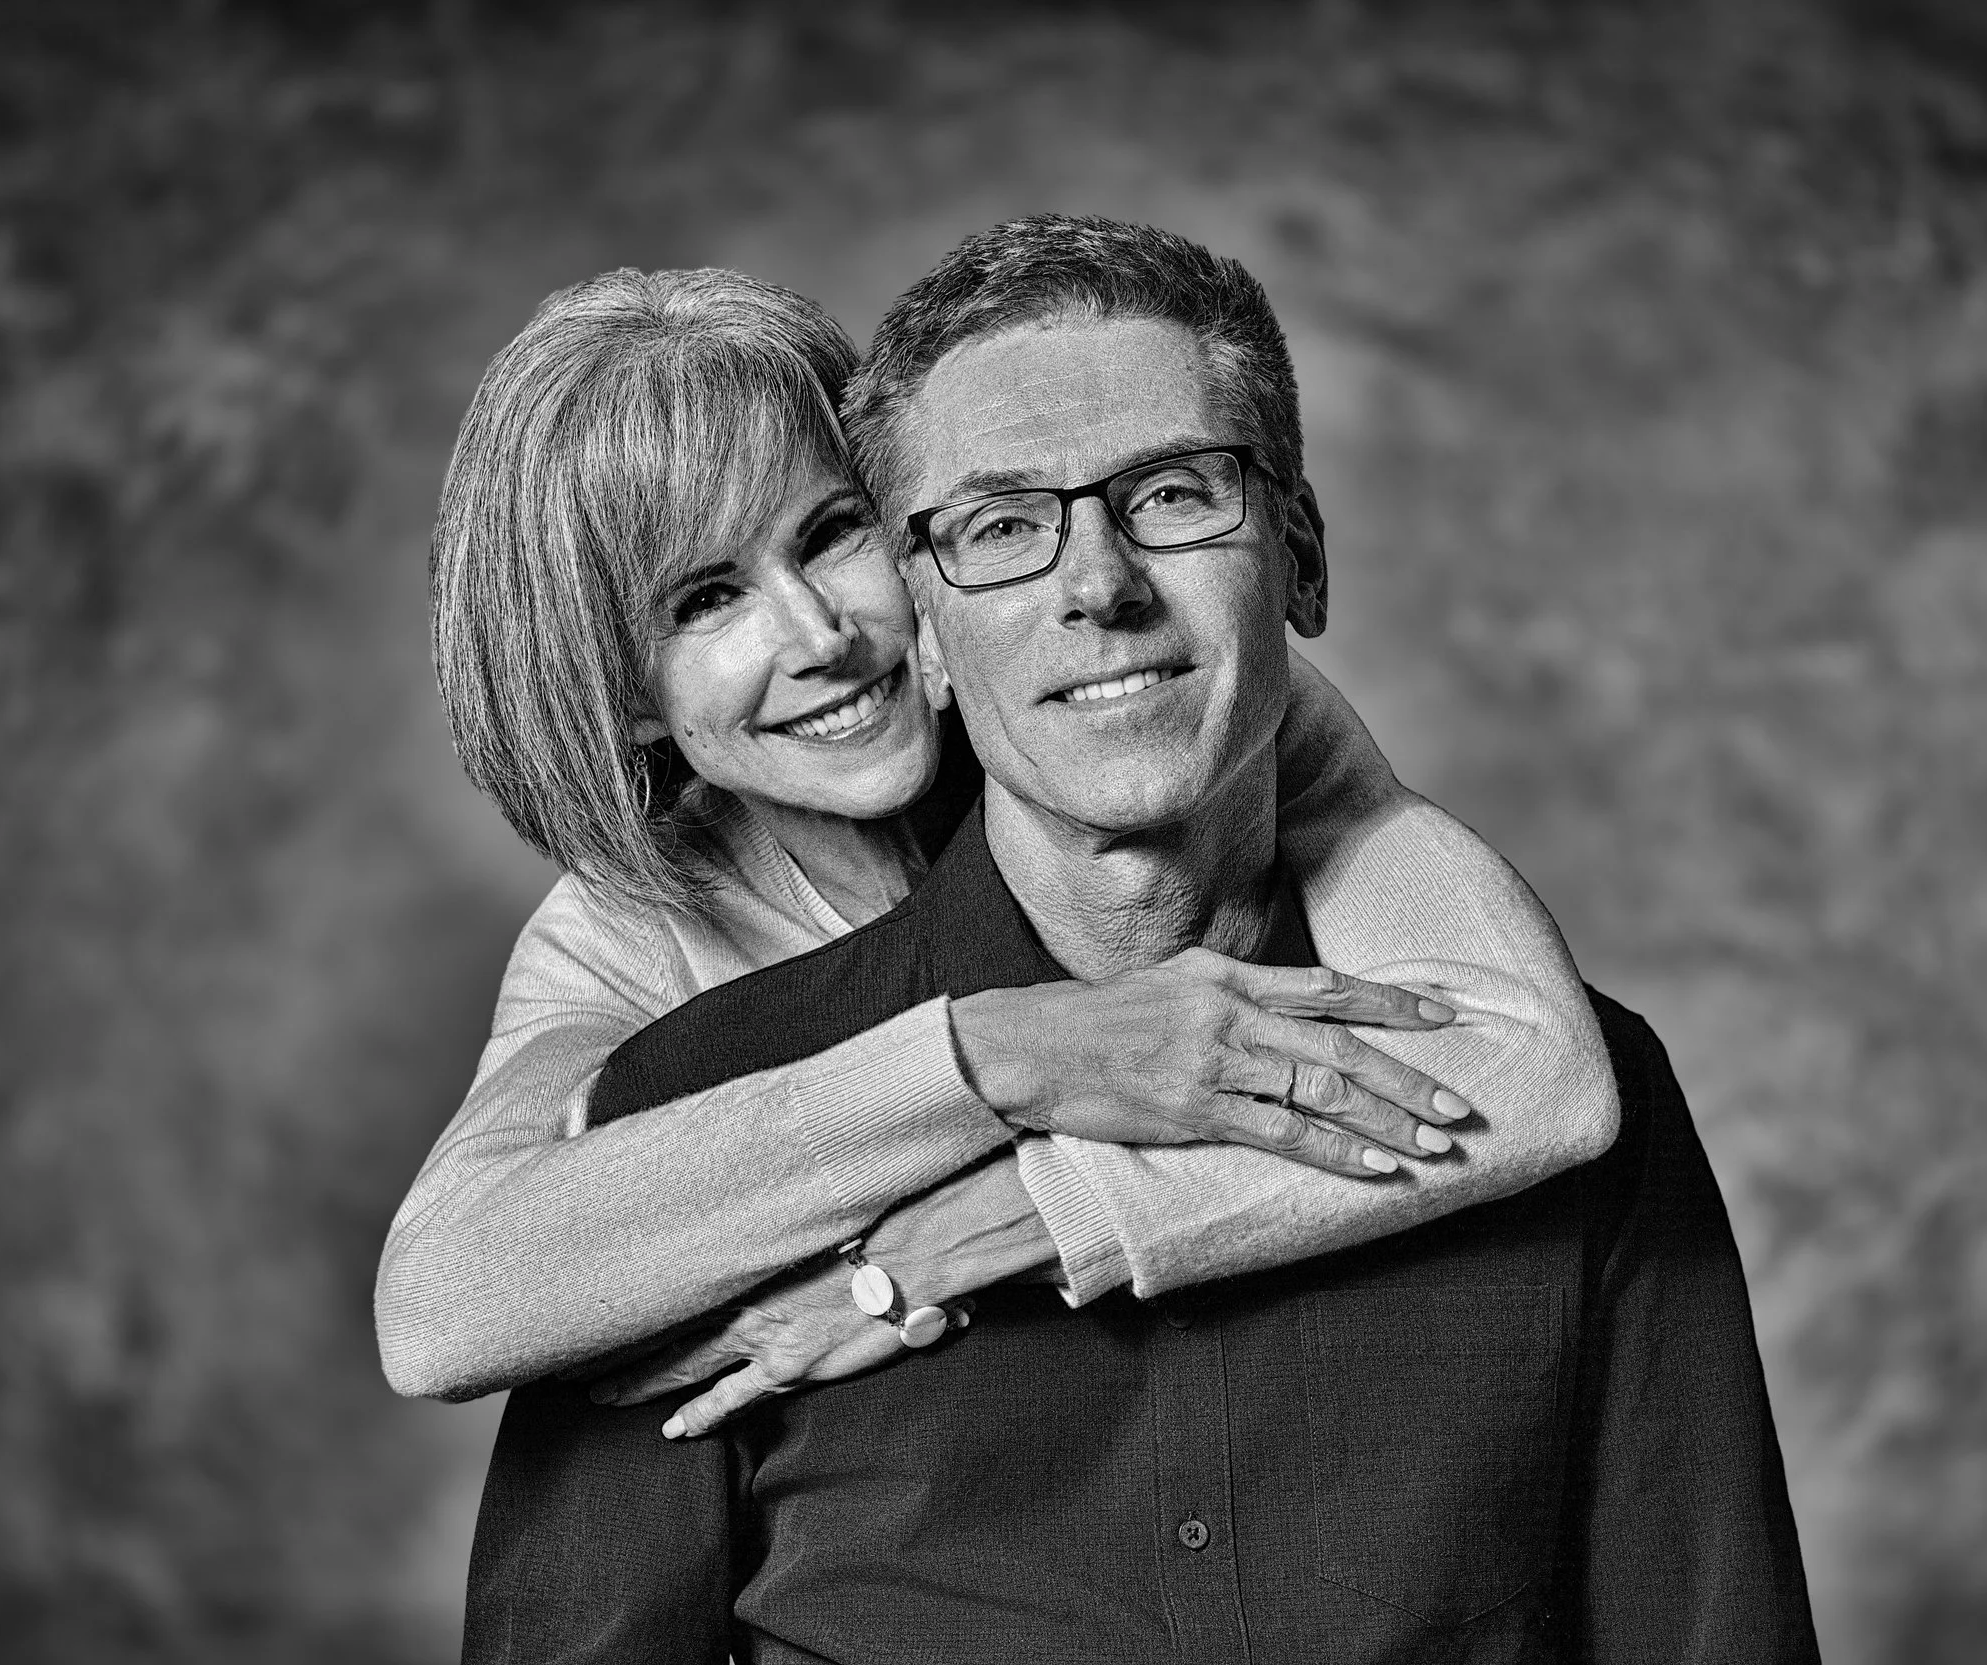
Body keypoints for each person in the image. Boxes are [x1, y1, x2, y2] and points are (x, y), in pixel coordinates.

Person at [462, 217, 1820, 1663]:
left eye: (1174, 496)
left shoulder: (1556, 1056)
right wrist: (999, 1065)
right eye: (1001, 527)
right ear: (928, 625)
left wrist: (1029, 1214)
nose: (1097, 586)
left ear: (1299, 560)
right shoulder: (669, 1104)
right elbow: (447, 1311)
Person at [378, 263, 1621, 1423]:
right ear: (623, 696)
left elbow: (1540, 1074)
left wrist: (1000, 1221)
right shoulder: (628, 934)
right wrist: (1003, 1058)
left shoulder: (1130, 712)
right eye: (707, 601)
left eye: (830, 534)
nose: (820, 636)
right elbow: (439, 1313)